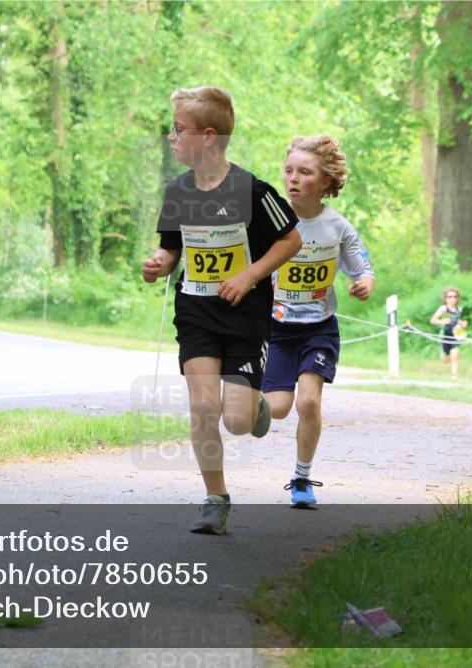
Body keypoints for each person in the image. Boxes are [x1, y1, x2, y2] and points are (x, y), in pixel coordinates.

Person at [141, 86, 302, 534]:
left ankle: (255, 407)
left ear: (208, 136)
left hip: (245, 316)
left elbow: (291, 240)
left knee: (236, 419)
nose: (172, 137)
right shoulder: (178, 192)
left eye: (179, 129)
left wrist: (250, 275)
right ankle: (215, 499)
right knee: (203, 406)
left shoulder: (252, 190)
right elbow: (171, 249)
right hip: (196, 312)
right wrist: (158, 264)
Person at [262, 135, 375, 508]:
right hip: (277, 328)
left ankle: (302, 478)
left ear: (326, 181)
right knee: (277, 408)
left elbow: (363, 268)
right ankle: (242, 395)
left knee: (308, 402)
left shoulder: (337, 227)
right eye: (288, 170)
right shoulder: (269, 221)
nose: (293, 179)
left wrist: (364, 284)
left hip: (319, 328)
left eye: (304, 172)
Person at [429, 287, 467, 379]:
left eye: (454, 296)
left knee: (455, 356)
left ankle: (454, 376)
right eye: (450, 296)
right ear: (445, 298)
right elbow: (433, 320)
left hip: (456, 334)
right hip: (445, 335)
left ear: (457, 298)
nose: (452, 298)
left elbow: (459, 321)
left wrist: (463, 324)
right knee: (446, 360)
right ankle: (445, 356)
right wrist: (442, 321)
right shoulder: (443, 308)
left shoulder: (459, 309)